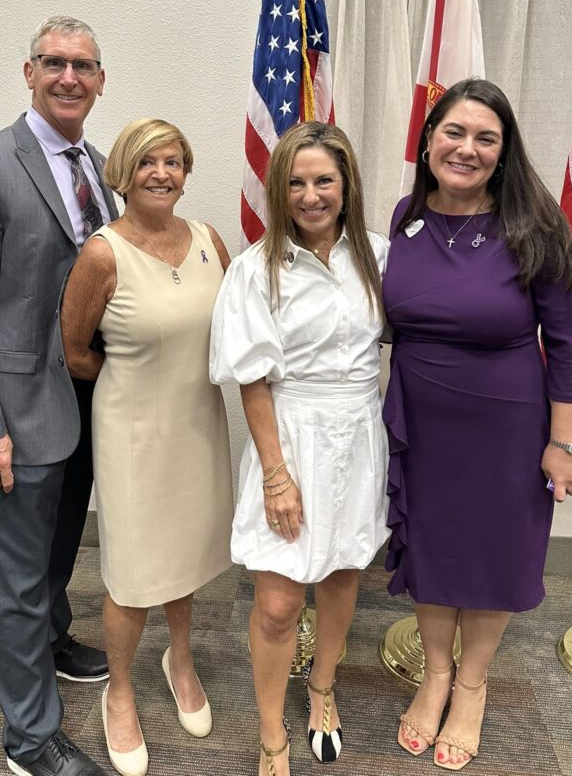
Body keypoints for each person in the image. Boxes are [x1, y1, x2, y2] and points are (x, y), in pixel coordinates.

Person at [383, 79, 572, 771]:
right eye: (453, 132)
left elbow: (566, 343)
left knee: (495, 554)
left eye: (485, 138)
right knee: (435, 549)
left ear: (503, 154)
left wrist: (565, 444)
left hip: (506, 422)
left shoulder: (536, 225)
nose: (465, 149)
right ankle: (436, 672)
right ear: (428, 139)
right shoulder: (405, 215)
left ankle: (470, 686)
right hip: (422, 419)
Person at [0, 16, 118, 776]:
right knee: (12, 575)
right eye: (54, 63)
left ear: (101, 80)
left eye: (83, 65)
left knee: (54, 552)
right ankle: (30, 737)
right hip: (15, 413)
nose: (68, 76)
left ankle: (51, 639)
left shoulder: (104, 168)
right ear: (29, 72)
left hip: (84, 404)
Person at [210, 122, 390, 776]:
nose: (311, 194)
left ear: (346, 187)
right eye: (296, 181)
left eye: (324, 180)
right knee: (280, 602)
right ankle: (270, 733)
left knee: (344, 573)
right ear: (278, 189)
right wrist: (277, 477)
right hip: (290, 438)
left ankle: (321, 692)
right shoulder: (256, 269)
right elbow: (252, 381)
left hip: (358, 435)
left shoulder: (378, 255)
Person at [60, 118, 234, 776]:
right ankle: (122, 690)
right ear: (124, 174)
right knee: (133, 577)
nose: (162, 173)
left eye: (174, 161)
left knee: (186, 554)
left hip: (198, 424)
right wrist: (132, 388)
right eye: (148, 162)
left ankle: (180, 658)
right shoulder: (104, 253)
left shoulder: (211, 240)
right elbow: (75, 352)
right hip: (132, 430)